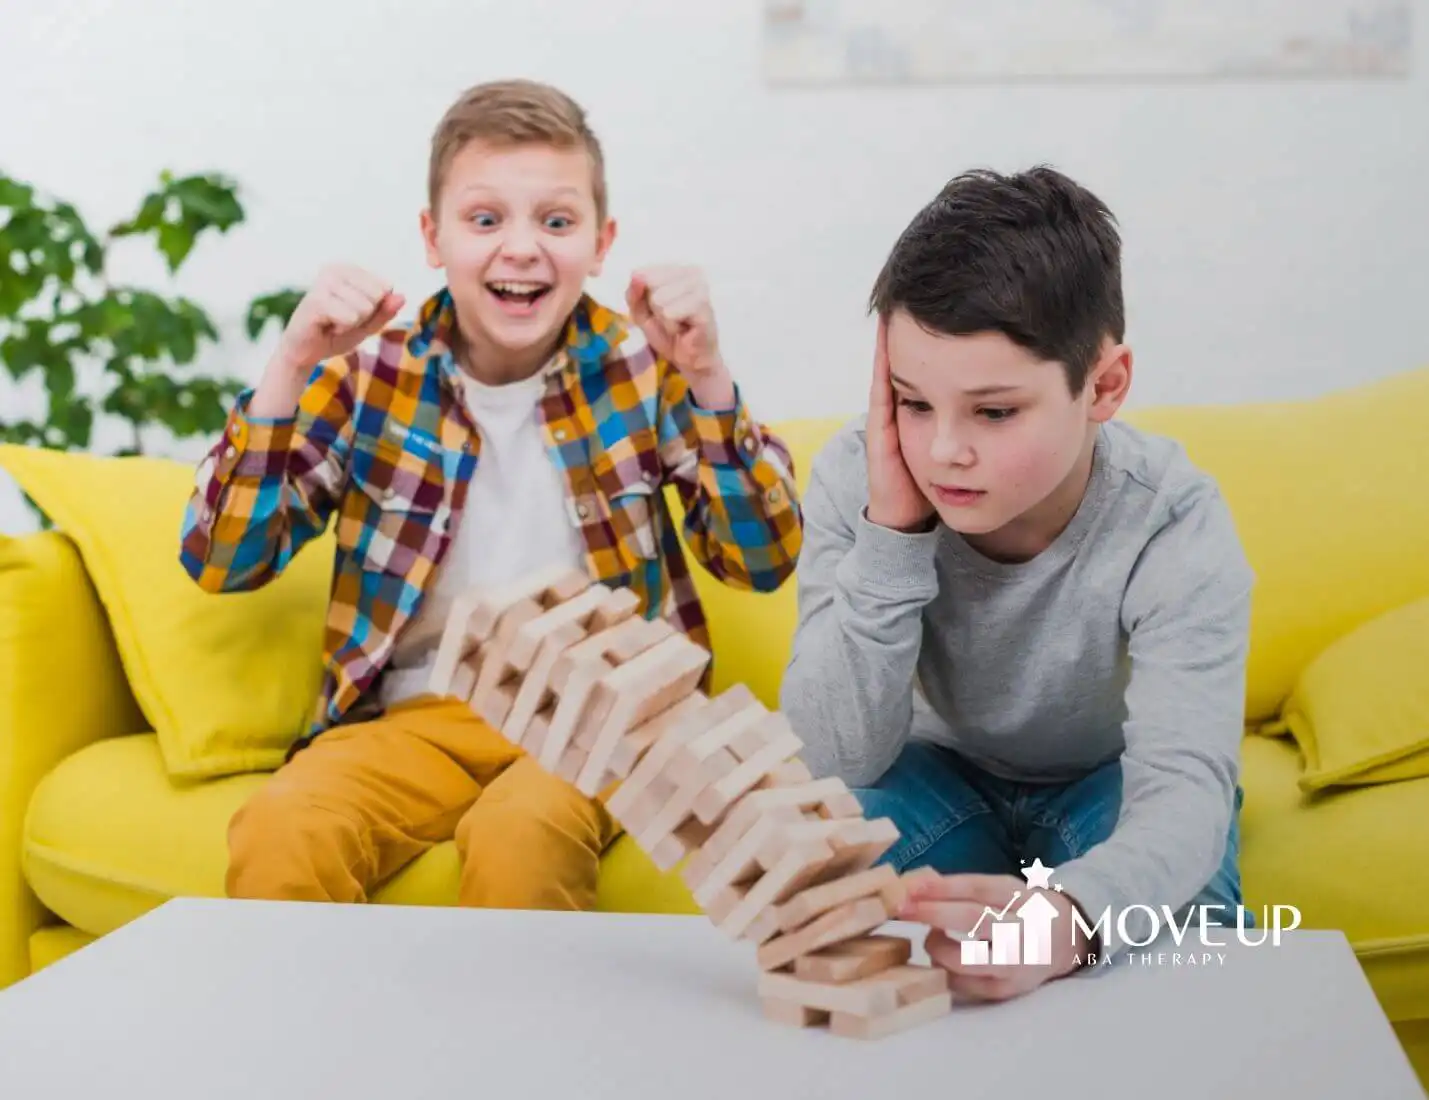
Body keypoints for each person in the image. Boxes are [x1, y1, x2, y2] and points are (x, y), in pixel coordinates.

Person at [179, 78, 803, 911]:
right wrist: (290, 366)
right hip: (417, 722)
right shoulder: (368, 377)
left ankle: (517, 1008)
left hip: (600, 722)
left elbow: (761, 559)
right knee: (283, 828)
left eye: (556, 221)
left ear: (601, 242)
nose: (521, 249)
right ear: (432, 237)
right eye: (484, 219)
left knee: (523, 833)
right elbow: (221, 560)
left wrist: (707, 374)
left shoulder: (644, 369)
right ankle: (316, 1005)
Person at [779, 165, 1254, 999]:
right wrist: (891, 535)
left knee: (1190, 934)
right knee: (812, 886)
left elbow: (1183, 792)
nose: (942, 452)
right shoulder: (862, 475)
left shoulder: (1172, 519)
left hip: (1104, 784)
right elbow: (834, 756)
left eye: (993, 412)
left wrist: (1071, 916)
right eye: (911, 403)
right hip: (936, 780)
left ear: (1103, 386)